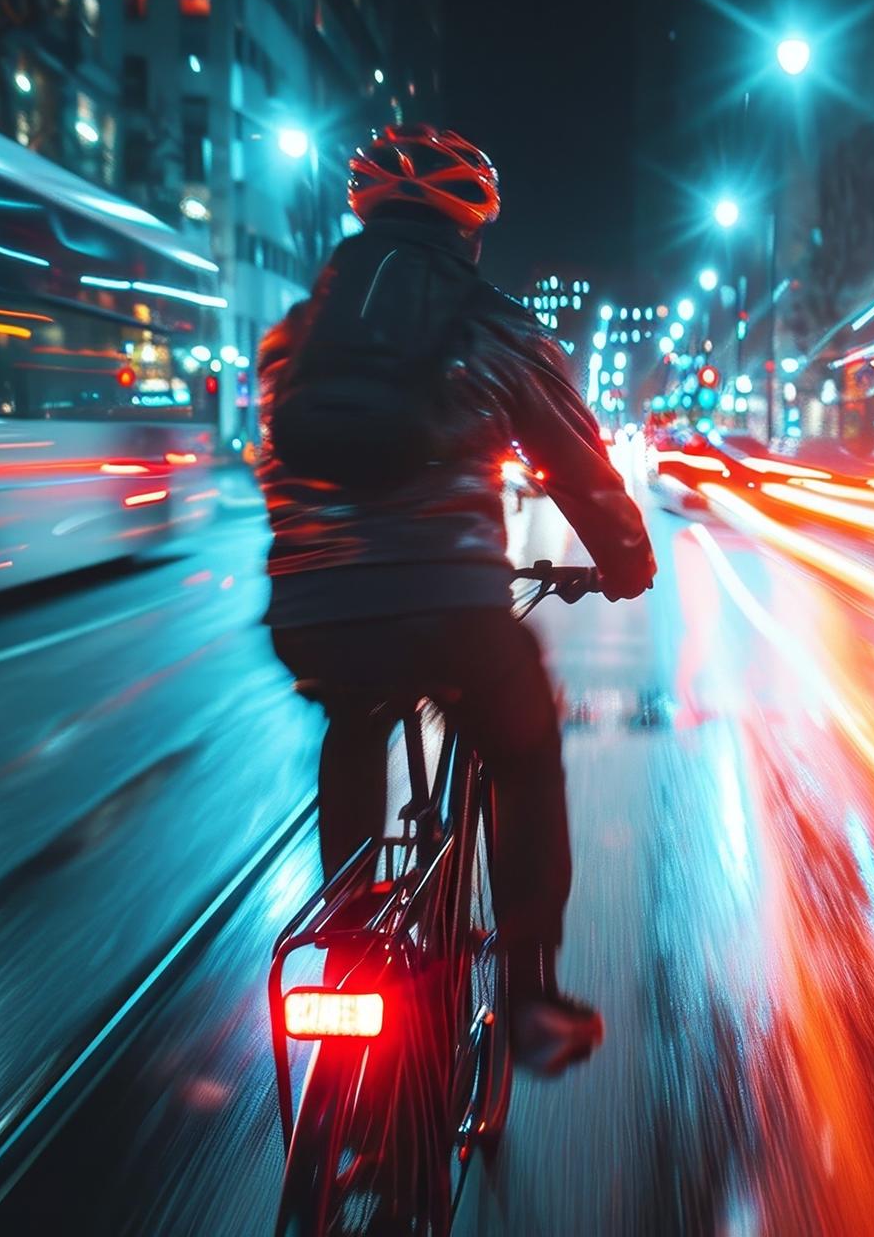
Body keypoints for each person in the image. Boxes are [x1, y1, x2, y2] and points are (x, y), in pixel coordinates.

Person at [258, 123, 656, 1076]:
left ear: (365, 214)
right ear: (471, 226)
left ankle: (352, 942)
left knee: (352, 722)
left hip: (310, 606)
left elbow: (275, 465)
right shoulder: (500, 326)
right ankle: (527, 995)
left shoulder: (298, 333)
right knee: (522, 746)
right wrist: (624, 561)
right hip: (449, 602)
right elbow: (578, 468)